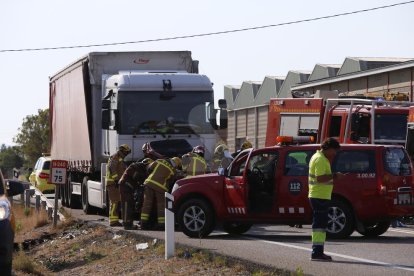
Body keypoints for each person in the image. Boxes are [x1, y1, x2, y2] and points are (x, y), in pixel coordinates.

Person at [308, 137, 345, 261]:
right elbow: (320, 178)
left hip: (319, 195)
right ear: (328, 148)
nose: (334, 154)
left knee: (320, 224)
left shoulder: (318, 157)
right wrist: (335, 175)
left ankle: (317, 251)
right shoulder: (320, 159)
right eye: (334, 151)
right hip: (319, 196)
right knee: (319, 225)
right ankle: (317, 252)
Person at [140, 157, 182, 230]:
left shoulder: (160, 161)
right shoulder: (173, 171)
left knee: (147, 203)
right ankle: (161, 224)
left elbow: (149, 167)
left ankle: (143, 223)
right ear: (176, 165)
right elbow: (171, 181)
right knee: (161, 206)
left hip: (149, 183)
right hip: (161, 187)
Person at [118, 158, 152, 230]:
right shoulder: (135, 167)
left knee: (130, 204)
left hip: (128, 187)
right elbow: (136, 176)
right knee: (127, 205)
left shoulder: (139, 167)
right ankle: (127, 224)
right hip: (125, 187)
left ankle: (129, 223)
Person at [105, 144, 131, 227]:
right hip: (112, 183)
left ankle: (114, 220)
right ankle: (113, 221)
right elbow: (111, 167)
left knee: (116, 201)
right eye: (126, 153)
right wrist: (116, 179)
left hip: (114, 183)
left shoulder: (120, 158)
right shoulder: (116, 156)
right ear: (123, 151)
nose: (126, 154)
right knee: (115, 202)